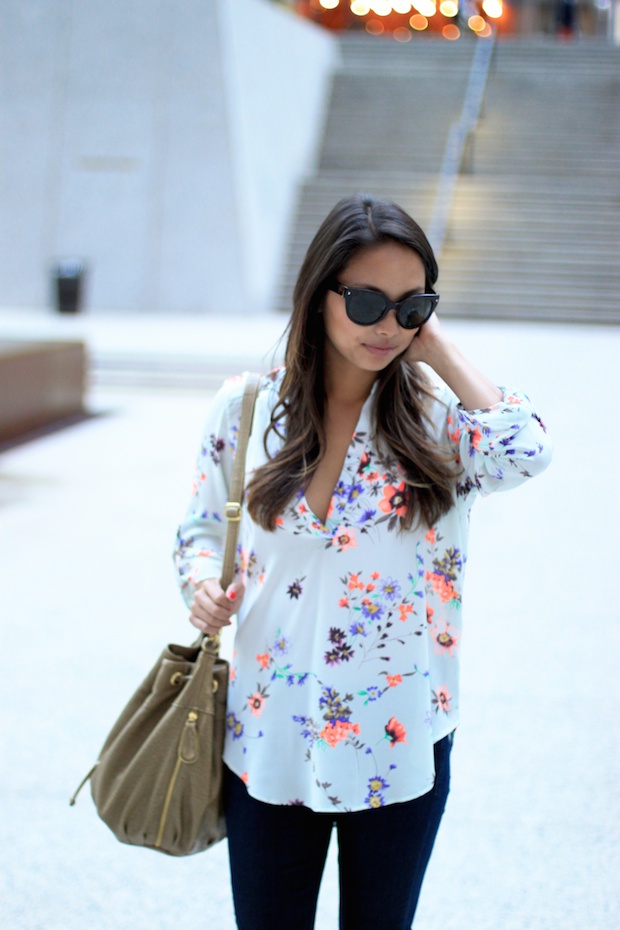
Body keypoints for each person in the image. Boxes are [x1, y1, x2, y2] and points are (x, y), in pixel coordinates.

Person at [173, 194, 552, 930]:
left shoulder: (441, 425)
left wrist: (436, 347)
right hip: (266, 738)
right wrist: (198, 583)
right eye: (370, 301)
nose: (389, 326)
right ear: (319, 297)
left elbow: (529, 450)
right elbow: (195, 526)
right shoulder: (247, 411)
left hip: (397, 739)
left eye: (413, 306)